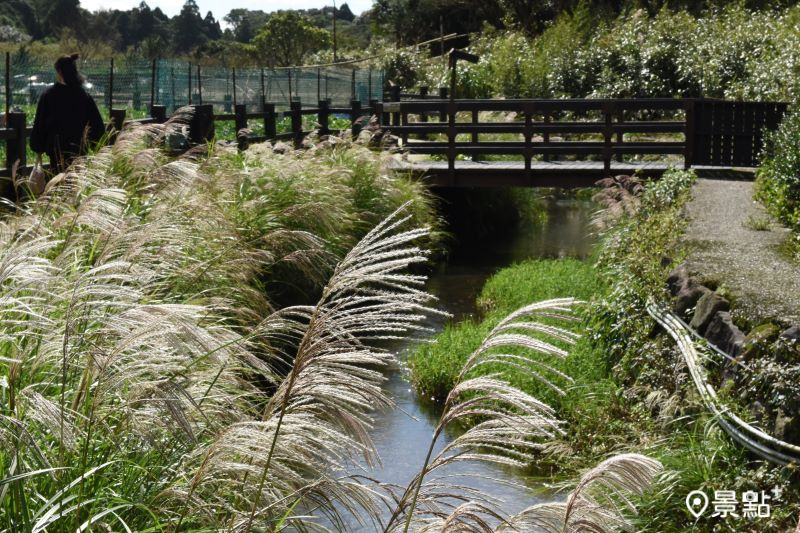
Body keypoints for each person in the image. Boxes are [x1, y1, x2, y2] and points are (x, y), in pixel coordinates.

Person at [30, 54, 105, 174]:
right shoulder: (83, 96)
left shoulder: (49, 95)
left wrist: (38, 146)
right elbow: (96, 124)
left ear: (59, 71)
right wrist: (97, 145)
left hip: (56, 152)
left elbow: (40, 123)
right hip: (79, 151)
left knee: (58, 184)